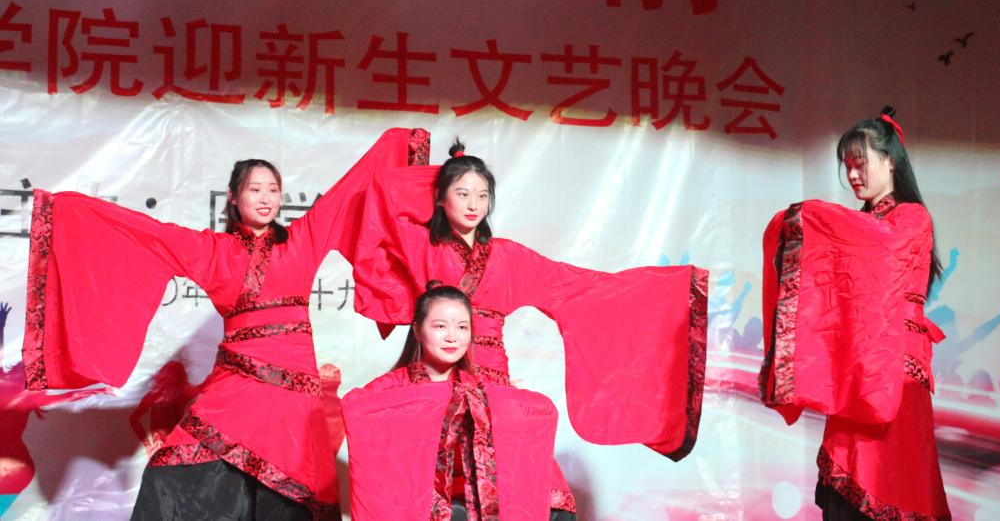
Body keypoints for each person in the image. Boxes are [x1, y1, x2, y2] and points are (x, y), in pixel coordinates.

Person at [22, 128, 430, 520]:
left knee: (289, 496)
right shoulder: (213, 250)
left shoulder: (302, 240)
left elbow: (351, 195)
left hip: (292, 398)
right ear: (234, 197)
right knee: (170, 475)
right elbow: (149, 235)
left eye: (273, 189)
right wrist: (68, 211)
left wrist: (397, 144)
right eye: (255, 189)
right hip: (234, 387)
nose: (266, 198)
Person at [351, 138, 710, 516]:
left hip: (493, 382)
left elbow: (573, 286)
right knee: (435, 492)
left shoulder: (509, 257)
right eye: (462, 193)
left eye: (482, 195)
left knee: (542, 497)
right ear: (440, 199)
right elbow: (384, 196)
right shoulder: (423, 247)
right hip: (438, 381)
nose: (473, 204)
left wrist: (669, 292)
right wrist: (438, 175)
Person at [759, 107, 950, 520]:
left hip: (897, 370)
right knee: (847, 469)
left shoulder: (910, 217)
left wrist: (813, 217)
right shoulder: (864, 224)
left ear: (890, 161)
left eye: (860, 164)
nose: (852, 175)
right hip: (860, 363)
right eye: (847, 166)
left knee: (894, 476)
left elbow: (879, 248)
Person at [343, 283, 564, 521]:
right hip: (413, 505)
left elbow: (541, 414)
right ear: (417, 330)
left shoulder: (482, 386)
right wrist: (431, 401)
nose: (452, 337)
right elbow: (355, 408)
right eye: (440, 326)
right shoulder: (393, 385)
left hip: (474, 501)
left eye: (462, 327)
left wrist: (507, 404)